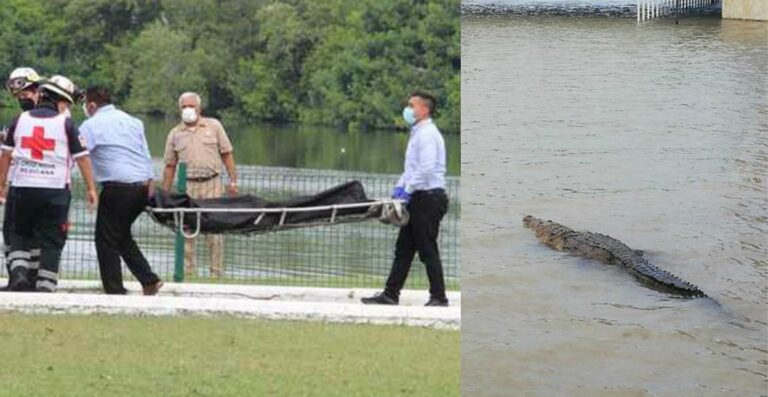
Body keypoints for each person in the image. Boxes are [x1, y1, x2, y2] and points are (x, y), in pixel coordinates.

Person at [0, 75, 98, 292]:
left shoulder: (20, 120)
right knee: (52, 238)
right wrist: (91, 188)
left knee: (18, 232)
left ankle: (19, 274)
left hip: (22, 187)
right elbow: (82, 157)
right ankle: (45, 285)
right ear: (60, 101)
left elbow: (5, 156)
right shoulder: (67, 123)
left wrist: (1, 185)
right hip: (55, 191)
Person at [362, 91, 450, 307]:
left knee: (427, 248)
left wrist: (408, 189)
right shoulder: (417, 133)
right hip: (416, 197)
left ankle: (439, 297)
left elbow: (427, 168)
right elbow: (411, 168)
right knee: (404, 249)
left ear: (424, 109)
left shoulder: (428, 134)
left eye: (412, 105)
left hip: (428, 198)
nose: (408, 110)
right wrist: (399, 189)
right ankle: (390, 294)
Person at [79, 86, 163, 295]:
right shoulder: (134, 122)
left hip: (117, 188)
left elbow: (80, 154)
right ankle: (149, 279)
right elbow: (145, 153)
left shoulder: (91, 125)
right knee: (121, 234)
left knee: (105, 239)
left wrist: (89, 186)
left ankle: (114, 289)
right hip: (141, 187)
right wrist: (150, 184)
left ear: (91, 105)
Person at [161, 92, 238, 278]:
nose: (188, 109)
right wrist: (164, 192)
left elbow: (227, 154)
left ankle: (216, 274)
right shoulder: (175, 134)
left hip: (213, 184)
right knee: (187, 230)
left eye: (191, 106)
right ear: (180, 109)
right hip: (187, 187)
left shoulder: (214, 126)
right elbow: (170, 165)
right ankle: (188, 273)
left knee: (215, 232)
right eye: (184, 106)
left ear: (199, 108)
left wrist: (233, 180)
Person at [1, 67, 43, 290]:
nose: (22, 98)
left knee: (15, 232)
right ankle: (24, 279)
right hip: (41, 185)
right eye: (19, 95)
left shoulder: (27, 119)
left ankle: (22, 278)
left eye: (25, 92)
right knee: (25, 234)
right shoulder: (55, 115)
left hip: (24, 183)